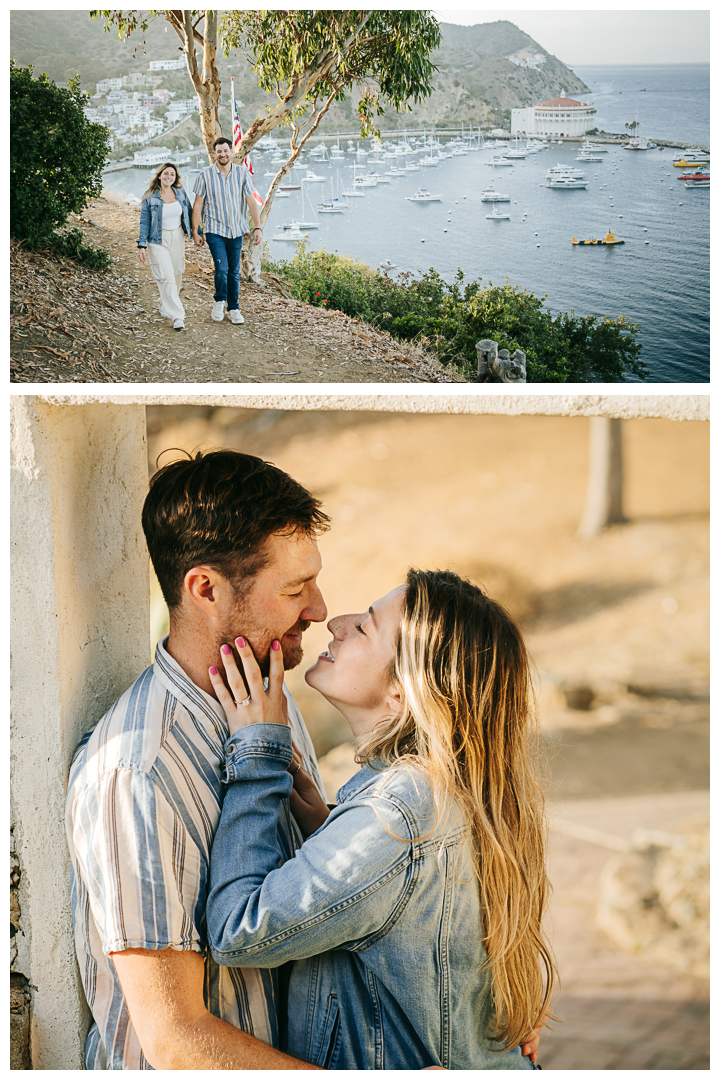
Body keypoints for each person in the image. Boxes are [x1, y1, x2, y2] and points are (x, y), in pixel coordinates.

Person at [207, 569, 556, 1069]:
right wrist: (326, 825)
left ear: (402, 694)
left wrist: (258, 758)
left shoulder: (399, 815)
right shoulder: (440, 792)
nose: (337, 623)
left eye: (366, 627)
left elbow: (238, 930)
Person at [65, 450, 332, 1069]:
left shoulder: (268, 697)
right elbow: (176, 1041)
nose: (318, 609)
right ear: (205, 589)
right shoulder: (138, 772)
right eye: (295, 589)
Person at [192, 137, 263, 325]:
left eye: (225, 150)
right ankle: (219, 300)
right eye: (219, 151)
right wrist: (195, 231)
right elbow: (197, 205)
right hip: (214, 230)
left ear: (231, 151)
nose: (222, 154)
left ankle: (234, 308)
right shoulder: (204, 175)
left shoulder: (242, 173)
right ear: (214, 153)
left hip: (236, 231)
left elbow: (251, 202)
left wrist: (257, 227)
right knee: (221, 269)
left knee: (234, 271)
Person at [137, 162, 193, 331]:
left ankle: (165, 304)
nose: (169, 177)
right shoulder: (150, 197)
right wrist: (142, 245)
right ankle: (178, 316)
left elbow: (189, 213)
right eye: (166, 174)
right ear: (160, 176)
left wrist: (197, 234)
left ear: (175, 178)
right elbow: (144, 222)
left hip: (177, 237)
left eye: (172, 175)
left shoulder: (180, 193)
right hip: (157, 240)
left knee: (176, 274)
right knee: (166, 277)